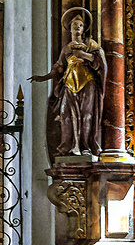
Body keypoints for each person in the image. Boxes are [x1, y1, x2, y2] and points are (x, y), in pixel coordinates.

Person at [32, 8, 106, 159]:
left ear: (84, 28)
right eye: (74, 25)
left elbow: (100, 61)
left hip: (88, 82)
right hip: (69, 83)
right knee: (66, 115)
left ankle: (86, 146)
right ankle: (68, 145)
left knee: (87, 115)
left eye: (80, 25)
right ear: (70, 28)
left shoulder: (90, 43)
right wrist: (44, 77)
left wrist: (84, 55)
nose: (77, 27)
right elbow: (59, 66)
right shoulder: (66, 48)